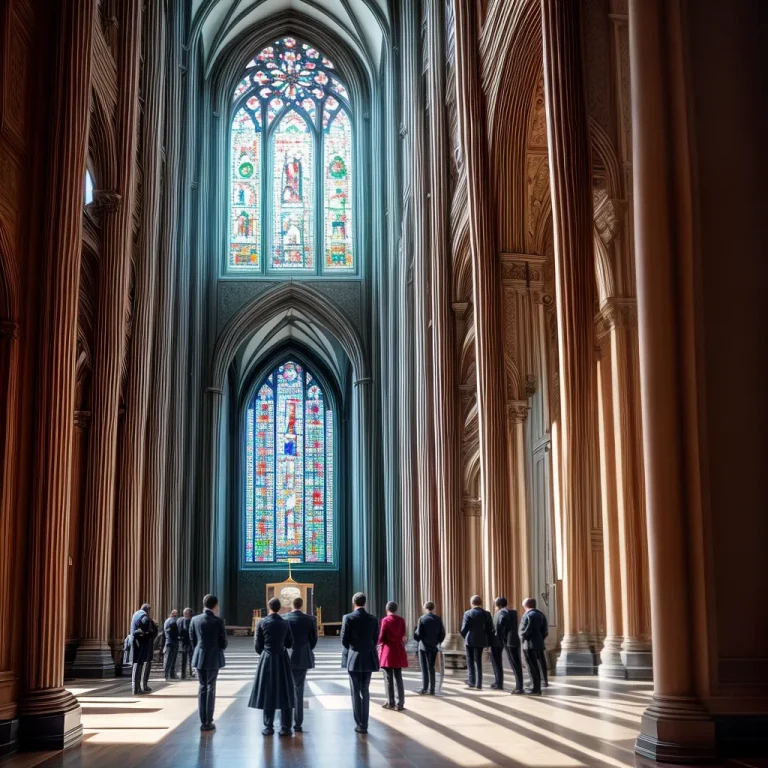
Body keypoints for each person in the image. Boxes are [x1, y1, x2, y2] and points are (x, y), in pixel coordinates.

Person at [249, 597, 296, 736]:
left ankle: (268, 726)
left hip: (267, 659)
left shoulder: (262, 622)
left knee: (268, 690)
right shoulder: (285, 622)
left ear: (269, 607)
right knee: (285, 690)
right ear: (279, 608)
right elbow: (289, 643)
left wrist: (265, 653)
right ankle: (286, 727)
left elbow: (257, 645)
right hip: (282, 658)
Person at [341, 592, 379, 734]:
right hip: (368, 657)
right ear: (365, 603)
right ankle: (365, 723)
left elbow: (344, 640)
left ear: (354, 602)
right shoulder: (373, 619)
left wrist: (353, 648)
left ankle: (359, 724)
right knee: (365, 690)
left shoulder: (348, 618)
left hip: (354, 658)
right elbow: (375, 638)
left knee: (355, 691)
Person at [190, 594, 228, 730]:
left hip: (199, 656)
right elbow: (223, 643)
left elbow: (192, 640)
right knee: (211, 687)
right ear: (216, 605)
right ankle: (208, 721)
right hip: (213, 657)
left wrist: (198, 650)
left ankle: (202, 721)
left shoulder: (195, 619)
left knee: (202, 687)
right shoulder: (218, 621)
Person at [284, 596, 317, 732]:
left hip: (287, 657)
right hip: (303, 656)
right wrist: (306, 649)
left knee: (287, 689)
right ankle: (298, 723)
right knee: (299, 688)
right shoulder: (310, 619)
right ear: (302, 605)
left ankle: (286, 723)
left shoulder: (284, 618)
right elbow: (313, 640)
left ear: (291, 605)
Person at [378, 601, 408, 711]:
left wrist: (379, 642)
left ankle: (391, 702)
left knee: (388, 678)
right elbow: (403, 634)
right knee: (398, 677)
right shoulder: (401, 620)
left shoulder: (385, 620)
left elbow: (382, 636)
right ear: (396, 609)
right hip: (398, 650)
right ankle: (400, 703)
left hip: (388, 652)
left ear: (387, 609)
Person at [460, 595, 494, 689]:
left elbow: (464, 629)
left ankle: (472, 681)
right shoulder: (487, 614)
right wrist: (487, 641)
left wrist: (465, 637)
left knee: (470, 660)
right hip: (481, 639)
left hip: (470, 639)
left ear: (472, 603)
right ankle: (479, 683)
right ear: (481, 602)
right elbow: (490, 629)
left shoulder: (468, 613)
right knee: (478, 661)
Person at [491, 597, 523, 693]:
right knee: (516, 664)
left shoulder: (500, 613)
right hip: (514, 639)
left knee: (514, 663)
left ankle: (519, 688)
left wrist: (500, 635)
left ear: (498, 605)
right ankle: (519, 686)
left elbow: (499, 625)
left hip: (507, 640)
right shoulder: (514, 612)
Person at [414, 601, 445, 695]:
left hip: (423, 646)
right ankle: (432, 689)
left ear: (425, 608)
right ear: (433, 608)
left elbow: (418, 633)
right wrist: (437, 641)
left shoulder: (422, 619)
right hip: (433, 646)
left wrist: (417, 638)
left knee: (424, 668)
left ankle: (424, 688)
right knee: (432, 667)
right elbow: (442, 633)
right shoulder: (438, 619)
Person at [519, 597, 548, 695]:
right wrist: (540, 639)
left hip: (529, 645)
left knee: (532, 667)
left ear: (526, 605)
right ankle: (539, 684)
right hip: (539, 644)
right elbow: (545, 631)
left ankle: (535, 688)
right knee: (538, 665)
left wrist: (521, 636)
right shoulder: (541, 615)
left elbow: (526, 630)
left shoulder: (528, 615)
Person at [130, 603, 154, 695]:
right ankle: (136, 689)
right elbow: (146, 629)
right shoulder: (144, 617)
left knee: (136, 663)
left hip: (135, 641)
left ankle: (136, 687)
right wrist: (149, 632)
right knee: (139, 664)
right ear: (148, 610)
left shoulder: (136, 614)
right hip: (140, 643)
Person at [177, 608, 194, 679]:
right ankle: (186, 673)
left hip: (182, 641)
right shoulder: (187, 620)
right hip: (186, 641)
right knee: (187, 658)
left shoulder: (179, 620)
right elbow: (187, 630)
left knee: (185, 658)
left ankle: (185, 673)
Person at [163, 609, 180, 680]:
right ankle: (169, 674)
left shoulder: (166, 621)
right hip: (172, 642)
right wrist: (178, 635)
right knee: (171, 659)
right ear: (173, 614)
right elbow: (175, 631)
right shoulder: (172, 621)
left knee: (168, 659)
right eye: (175, 615)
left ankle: (168, 674)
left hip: (168, 642)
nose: (176, 616)